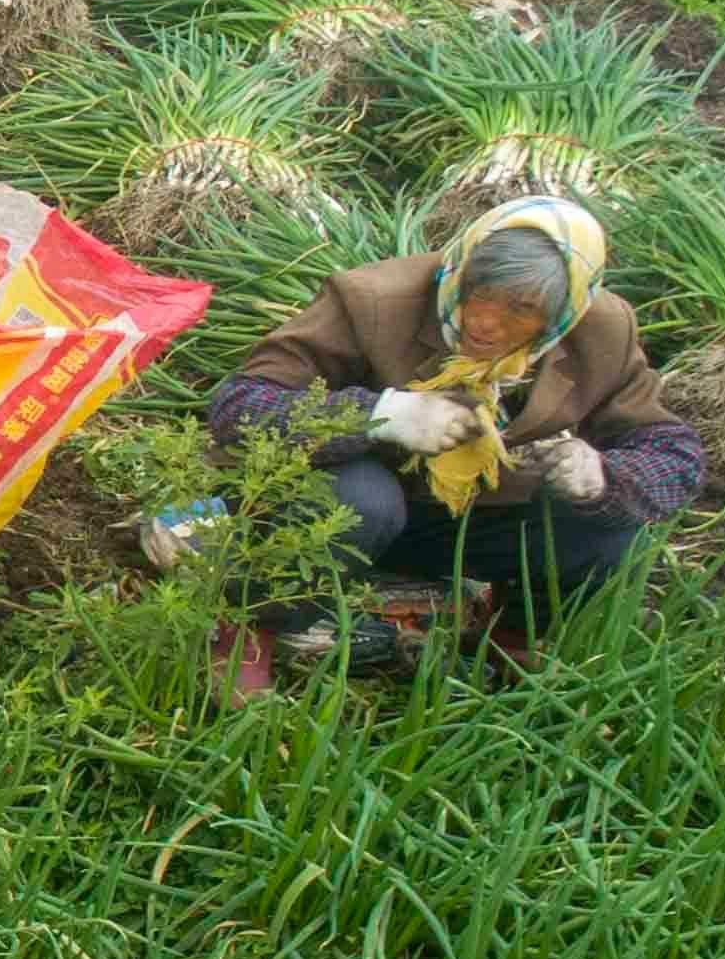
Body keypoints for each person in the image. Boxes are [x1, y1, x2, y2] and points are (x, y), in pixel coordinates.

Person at [206, 194, 698, 673]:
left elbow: (671, 450)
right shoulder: (372, 301)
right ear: (460, 269)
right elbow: (240, 408)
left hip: (465, 521)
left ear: (562, 312)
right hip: (341, 510)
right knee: (362, 497)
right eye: (477, 292)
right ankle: (251, 630)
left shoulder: (601, 330)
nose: (483, 323)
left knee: (607, 530)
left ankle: (511, 638)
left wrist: (601, 476)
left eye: (520, 310)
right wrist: (380, 415)